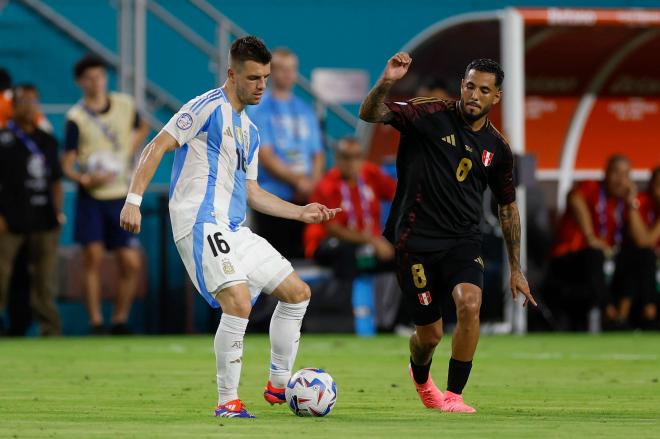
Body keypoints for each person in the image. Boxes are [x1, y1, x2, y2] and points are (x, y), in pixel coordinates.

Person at [119, 36, 339, 418]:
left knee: (297, 292)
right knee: (237, 303)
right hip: (200, 222)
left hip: (235, 228)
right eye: (254, 78)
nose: (261, 86)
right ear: (232, 73)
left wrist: (300, 212)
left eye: (266, 78)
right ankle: (227, 402)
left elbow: (252, 191)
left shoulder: (250, 131)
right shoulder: (204, 108)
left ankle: (278, 384)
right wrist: (133, 200)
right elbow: (157, 146)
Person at [359, 53, 536, 413]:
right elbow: (370, 114)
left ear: (495, 97)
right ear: (462, 86)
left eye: (484, 90)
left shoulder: (498, 149)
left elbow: (507, 207)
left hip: (462, 240)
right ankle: (421, 377)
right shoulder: (429, 114)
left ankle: (454, 396)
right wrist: (387, 81)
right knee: (430, 335)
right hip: (415, 239)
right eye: (470, 86)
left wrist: (516, 268)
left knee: (470, 304)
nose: (474, 95)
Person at [61, 55, 151, 335]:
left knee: (130, 262)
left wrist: (128, 151)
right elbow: (66, 163)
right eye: (89, 77)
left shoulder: (124, 105)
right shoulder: (76, 118)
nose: (96, 82)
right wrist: (85, 178)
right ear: (80, 82)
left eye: (99, 76)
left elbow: (144, 125)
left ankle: (120, 319)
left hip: (121, 195)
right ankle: (97, 321)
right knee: (93, 257)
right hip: (92, 198)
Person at [0, 84, 64, 336]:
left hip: (44, 219)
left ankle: (50, 329)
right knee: (1, 275)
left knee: (45, 280)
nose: (29, 107)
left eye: (33, 101)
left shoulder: (47, 140)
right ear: (14, 107)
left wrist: (57, 213)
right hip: (9, 219)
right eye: (23, 102)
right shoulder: (3, 139)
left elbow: (56, 180)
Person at [249, 48, 325, 258]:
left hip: (305, 197)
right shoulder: (258, 110)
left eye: (292, 69)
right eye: (282, 69)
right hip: (273, 198)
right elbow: (265, 155)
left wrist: (312, 185)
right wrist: (298, 181)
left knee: (304, 260)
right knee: (274, 261)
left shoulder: (305, 110)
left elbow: (318, 154)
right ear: (271, 72)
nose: (288, 74)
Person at [547, 156, 630, 330]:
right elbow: (575, 199)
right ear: (606, 173)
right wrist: (590, 236)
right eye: (616, 172)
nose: (620, 179)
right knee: (594, 255)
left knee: (633, 258)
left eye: (625, 174)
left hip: (599, 266)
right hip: (567, 257)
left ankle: (622, 317)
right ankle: (609, 313)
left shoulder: (623, 203)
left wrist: (633, 204)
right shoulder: (592, 187)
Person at [304, 136, 396, 279]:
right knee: (346, 252)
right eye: (346, 157)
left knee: (404, 246)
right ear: (337, 159)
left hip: (368, 240)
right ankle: (347, 300)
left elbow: (398, 195)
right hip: (329, 242)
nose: (352, 162)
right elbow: (333, 229)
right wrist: (372, 241)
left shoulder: (371, 174)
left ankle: (395, 299)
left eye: (357, 157)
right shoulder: (326, 185)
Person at [612, 166, 660, 329]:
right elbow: (643, 241)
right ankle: (649, 312)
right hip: (637, 259)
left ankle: (623, 314)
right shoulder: (641, 202)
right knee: (644, 255)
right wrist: (632, 204)